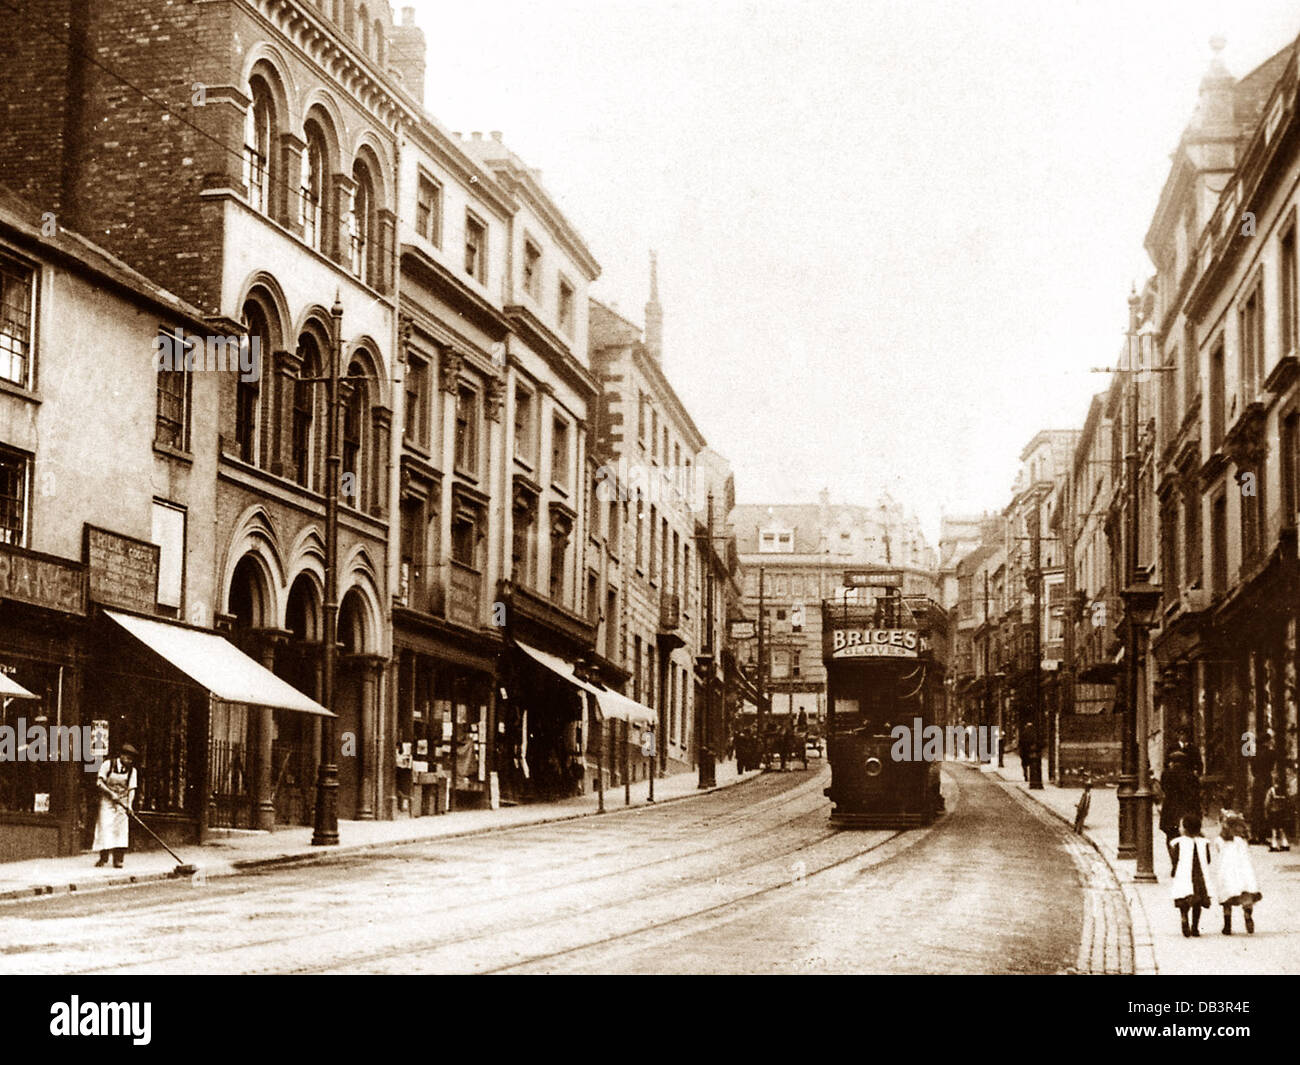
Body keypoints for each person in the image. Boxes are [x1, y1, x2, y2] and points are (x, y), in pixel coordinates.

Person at [1213, 810, 1261, 935]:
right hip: (1244, 873)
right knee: (1246, 897)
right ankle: (1247, 914)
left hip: (1227, 873)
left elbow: (1219, 852)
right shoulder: (1242, 841)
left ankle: (1227, 924)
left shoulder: (1220, 840)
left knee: (1227, 898)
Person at [93, 744, 138, 868]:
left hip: (122, 801)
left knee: (121, 830)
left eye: (131, 759)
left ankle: (118, 860)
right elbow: (99, 782)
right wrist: (111, 793)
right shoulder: (108, 764)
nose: (129, 761)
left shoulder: (132, 771)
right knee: (105, 826)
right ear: (121, 756)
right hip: (107, 800)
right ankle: (103, 858)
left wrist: (129, 805)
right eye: (127, 758)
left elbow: (131, 789)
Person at [1169, 813, 1213, 938]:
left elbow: (1175, 859)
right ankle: (1195, 927)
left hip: (1184, 875)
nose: (1179, 828)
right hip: (1199, 877)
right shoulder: (1203, 843)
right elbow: (1208, 859)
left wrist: (1174, 870)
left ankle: (1184, 918)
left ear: (1185, 829)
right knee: (1197, 902)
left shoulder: (1178, 843)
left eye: (1181, 826)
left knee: (1184, 899)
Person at [1159, 749, 1201, 863]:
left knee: (1171, 837)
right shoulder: (1191, 776)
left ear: (1172, 762)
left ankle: (1174, 861)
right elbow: (1196, 794)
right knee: (1186, 838)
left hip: (1170, 811)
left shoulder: (1166, 774)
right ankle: (1183, 861)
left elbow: (1163, 788)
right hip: (1187, 811)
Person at [1265, 780, 1291, 852]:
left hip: (1273, 812)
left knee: (1274, 828)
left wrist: (1266, 811)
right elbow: (1288, 801)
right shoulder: (1283, 791)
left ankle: (1274, 844)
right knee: (1281, 828)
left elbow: (1267, 802)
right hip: (1282, 811)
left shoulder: (1271, 790)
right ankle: (1285, 844)